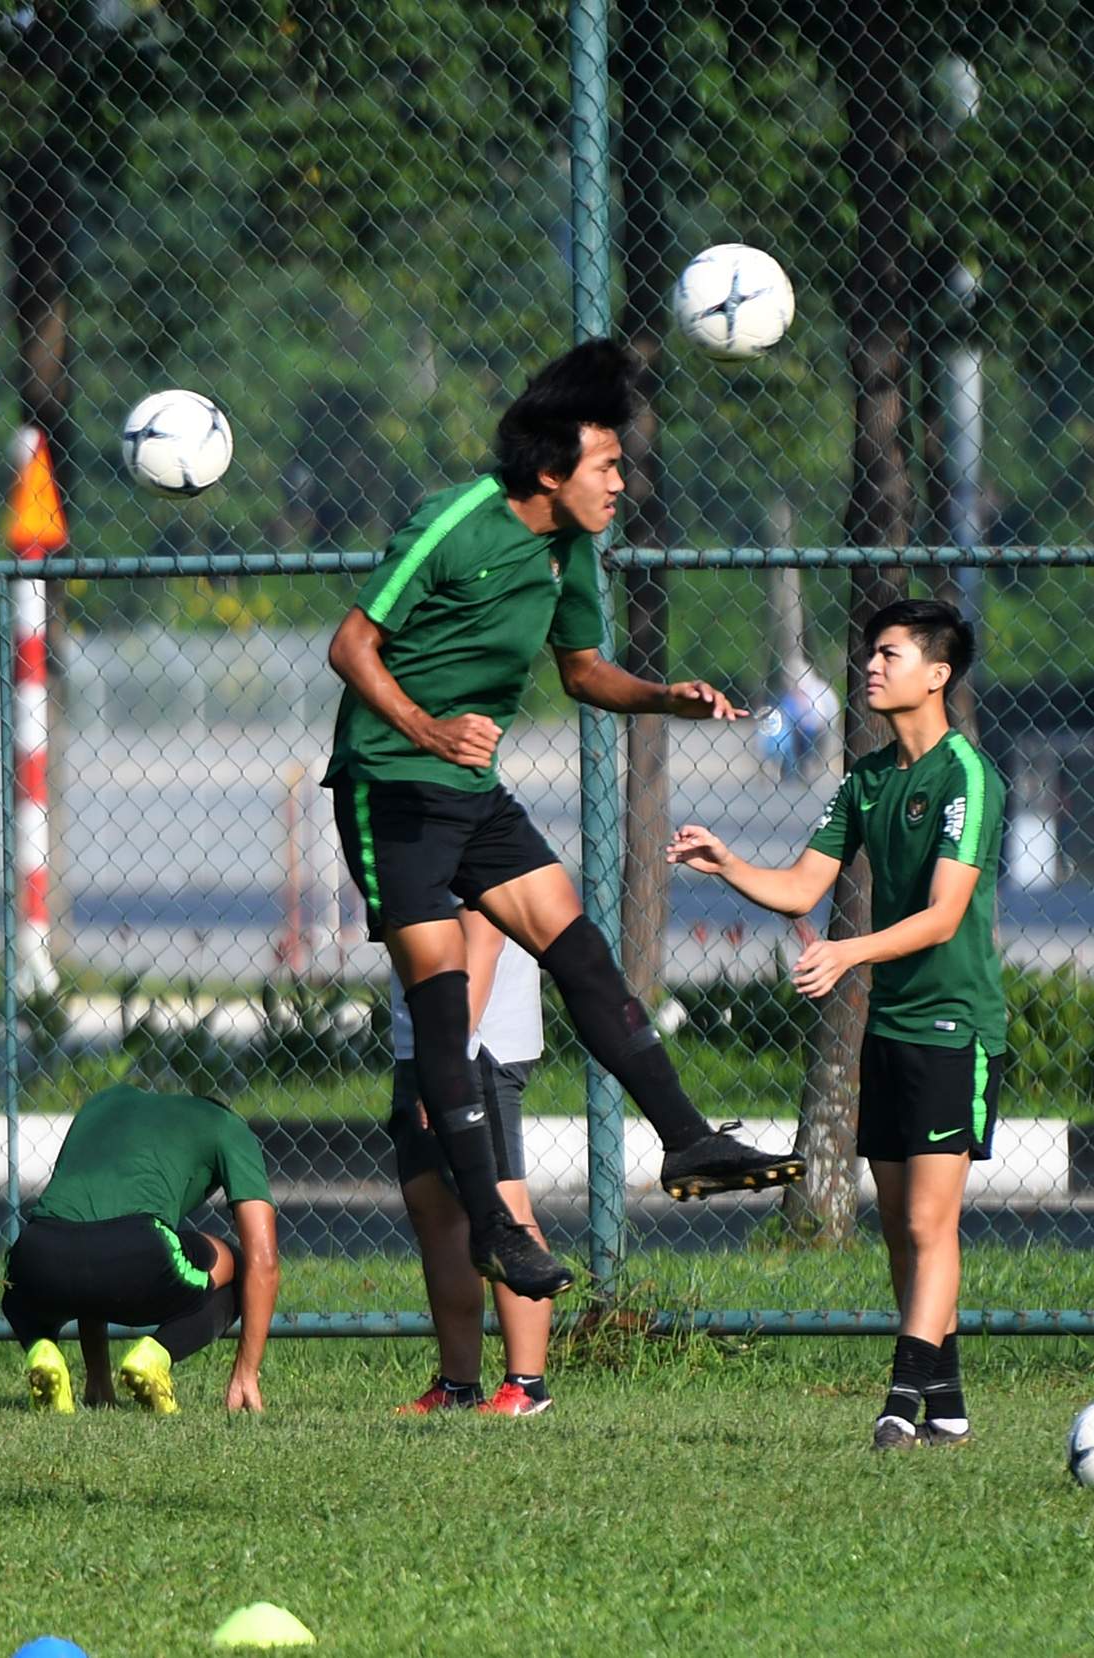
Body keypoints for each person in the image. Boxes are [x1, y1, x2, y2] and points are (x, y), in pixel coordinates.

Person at [325, 338, 803, 1303]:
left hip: (470, 795)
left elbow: (583, 672)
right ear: (551, 473)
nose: (623, 481)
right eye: (608, 465)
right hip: (391, 788)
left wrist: (667, 698)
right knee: (443, 1005)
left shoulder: (569, 548)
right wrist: (424, 726)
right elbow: (350, 643)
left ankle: (687, 1141)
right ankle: (496, 1226)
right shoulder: (454, 519)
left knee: (579, 951)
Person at [668, 599, 1004, 1451]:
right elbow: (799, 887)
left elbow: (941, 915)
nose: (871, 668)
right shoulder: (866, 778)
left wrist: (850, 955)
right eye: (871, 655)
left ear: (937, 673)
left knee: (932, 1228)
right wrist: (729, 863)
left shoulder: (966, 776)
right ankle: (950, 1409)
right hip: (891, 1028)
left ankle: (899, 1401)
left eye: (890, 655)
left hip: (954, 1030)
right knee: (899, 1230)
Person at [3, 1084, 278, 1415]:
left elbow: (89, 1227)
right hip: (138, 1256)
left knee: (16, 1289)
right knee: (238, 1266)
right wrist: (246, 1374)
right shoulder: (229, 1128)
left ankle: (42, 1350)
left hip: (37, 1253)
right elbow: (264, 1262)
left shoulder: (104, 1102)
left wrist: (98, 1378)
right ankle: (154, 1357)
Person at [389, 910, 553, 1416]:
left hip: (478, 1046)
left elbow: (481, 943)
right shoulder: (389, 836)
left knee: (503, 1203)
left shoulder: (458, 830)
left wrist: (450, 1063)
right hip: (422, 1042)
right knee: (431, 1202)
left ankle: (527, 1386)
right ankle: (458, 1386)